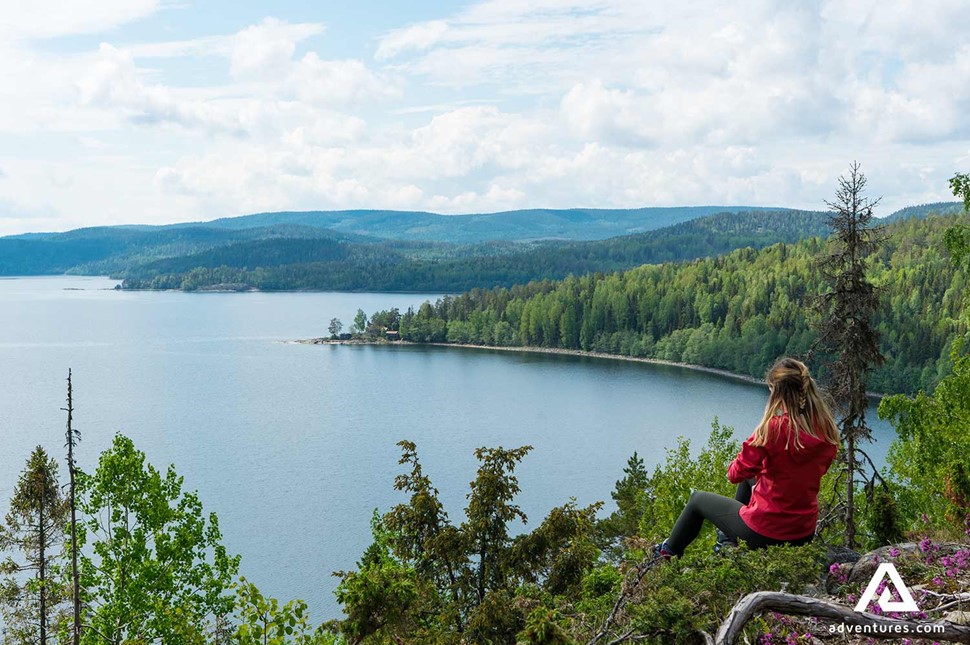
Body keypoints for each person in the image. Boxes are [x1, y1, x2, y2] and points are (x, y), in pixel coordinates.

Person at [653, 357, 839, 559]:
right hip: (803, 533)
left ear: (777, 393)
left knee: (697, 500)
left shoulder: (774, 428)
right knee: (750, 478)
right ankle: (728, 540)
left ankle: (666, 554)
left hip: (767, 532)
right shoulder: (826, 429)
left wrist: (754, 462)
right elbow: (803, 473)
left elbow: (734, 473)